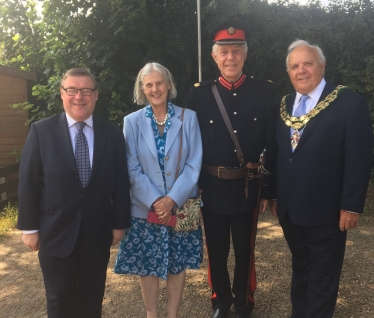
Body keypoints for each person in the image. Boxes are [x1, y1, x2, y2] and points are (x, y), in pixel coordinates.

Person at [17, 68, 131, 318]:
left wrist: (120, 223)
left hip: (97, 232)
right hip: (54, 232)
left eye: (86, 90)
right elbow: (28, 181)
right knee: (59, 301)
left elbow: (121, 181)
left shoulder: (111, 133)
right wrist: (29, 227)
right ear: (62, 94)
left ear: (96, 95)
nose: (79, 96)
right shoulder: (41, 131)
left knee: (92, 299)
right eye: (72, 90)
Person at [271, 39, 373, 318]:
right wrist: (276, 196)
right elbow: (282, 155)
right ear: (289, 72)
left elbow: (360, 158)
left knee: (323, 278)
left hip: (328, 212)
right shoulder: (285, 104)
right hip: (291, 211)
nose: (301, 70)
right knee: (301, 268)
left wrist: (352, 205)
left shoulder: (349, 103)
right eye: (294, 66)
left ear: (322, 65)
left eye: (308, 63)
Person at [187, 20, 277, 318]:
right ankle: (220, 301)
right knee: (216, 249)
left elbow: (273, 144)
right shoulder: (199, 95)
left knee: (244, 250)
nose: (230, 57)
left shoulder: (264, 93)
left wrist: (270, 190)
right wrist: (193, 185)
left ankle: (244, 302)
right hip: (212, 187)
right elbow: (192, 144)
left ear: (245, 54)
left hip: (247, 187)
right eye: (224, 51)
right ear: (214, 56)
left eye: (236, 50)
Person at [114, 62, 203, 318]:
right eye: (149, 84)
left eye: (159, 83)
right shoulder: (131, 122)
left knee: (177, 264)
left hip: (180, 206)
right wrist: (156, 201)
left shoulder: (188, 117)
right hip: (144, 208)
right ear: (142, 89)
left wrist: (172, 199)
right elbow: (130, 167)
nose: (155, 89)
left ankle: (172, 314)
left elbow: (193, 163)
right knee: (147, 266)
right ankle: (152, 314)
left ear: (168, 85)